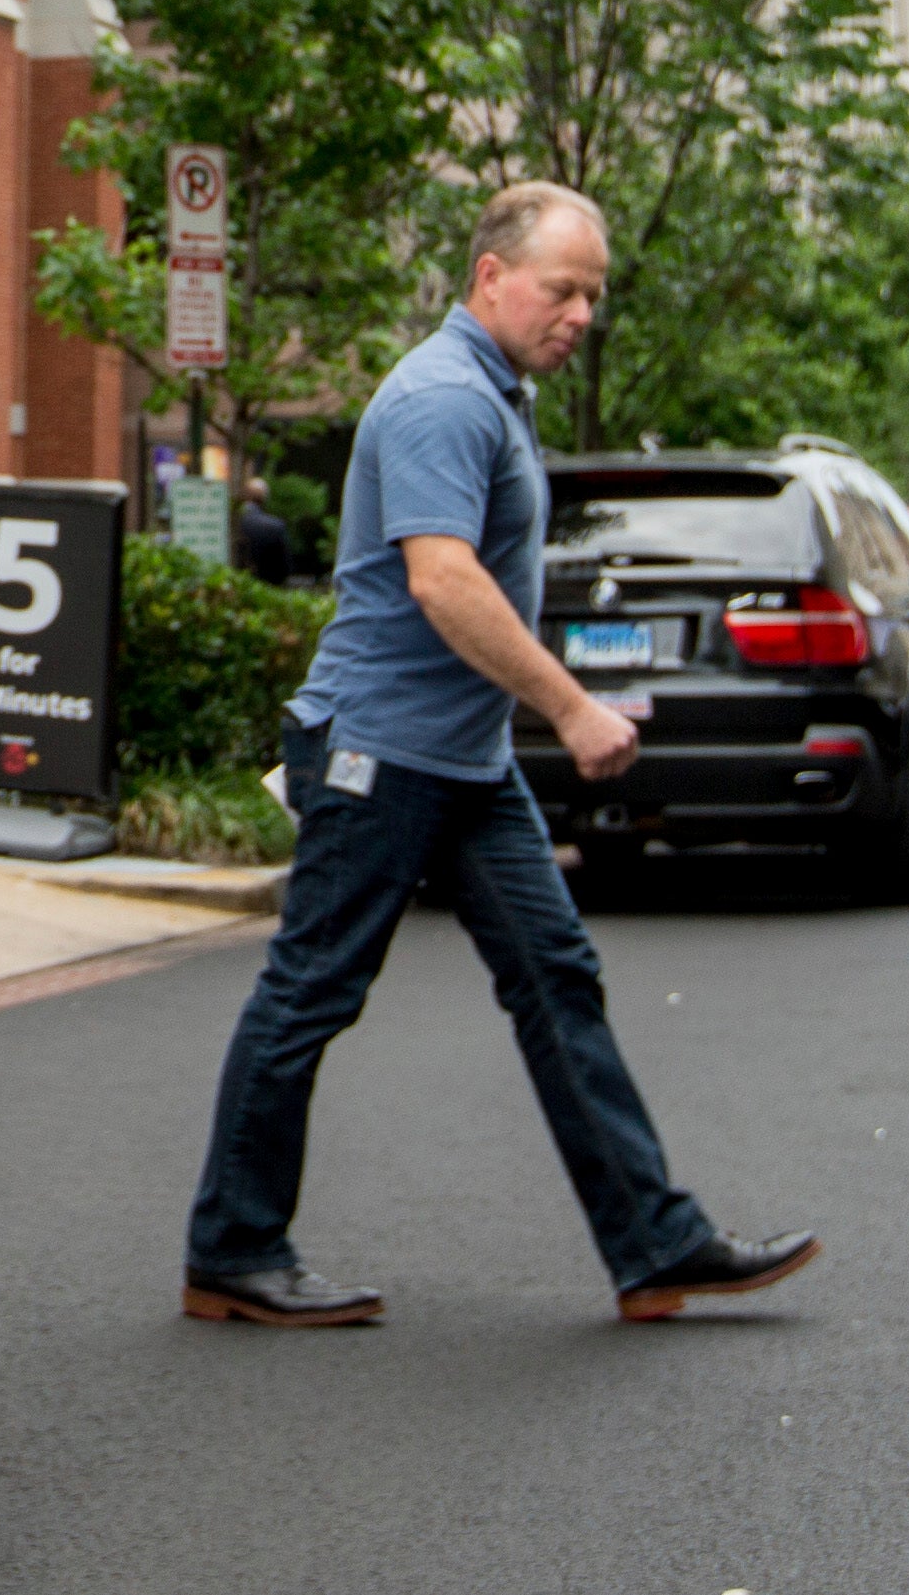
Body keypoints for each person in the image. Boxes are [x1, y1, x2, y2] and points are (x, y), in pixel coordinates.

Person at [180, 182, 816, 1329]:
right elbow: (441, 579)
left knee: (555, 977)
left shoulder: (495, 390)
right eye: (561, 288)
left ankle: (656, 1244)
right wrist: (570, 708)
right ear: (488, 278)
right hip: (376, 750)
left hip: (462, 763)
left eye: (594, 295)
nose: (580, 313)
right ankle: (232, 1249)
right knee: (312, 990)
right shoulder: (438, 396)